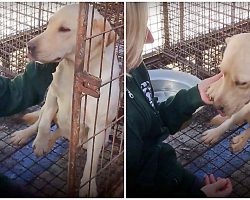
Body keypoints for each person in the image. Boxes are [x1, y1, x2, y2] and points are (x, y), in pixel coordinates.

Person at [126, 2, 232, 197]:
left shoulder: (134, 68)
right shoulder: (120, 106)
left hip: (169, 173)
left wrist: (194, 95)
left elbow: (152, 123)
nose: (150, 38)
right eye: (141, 28)